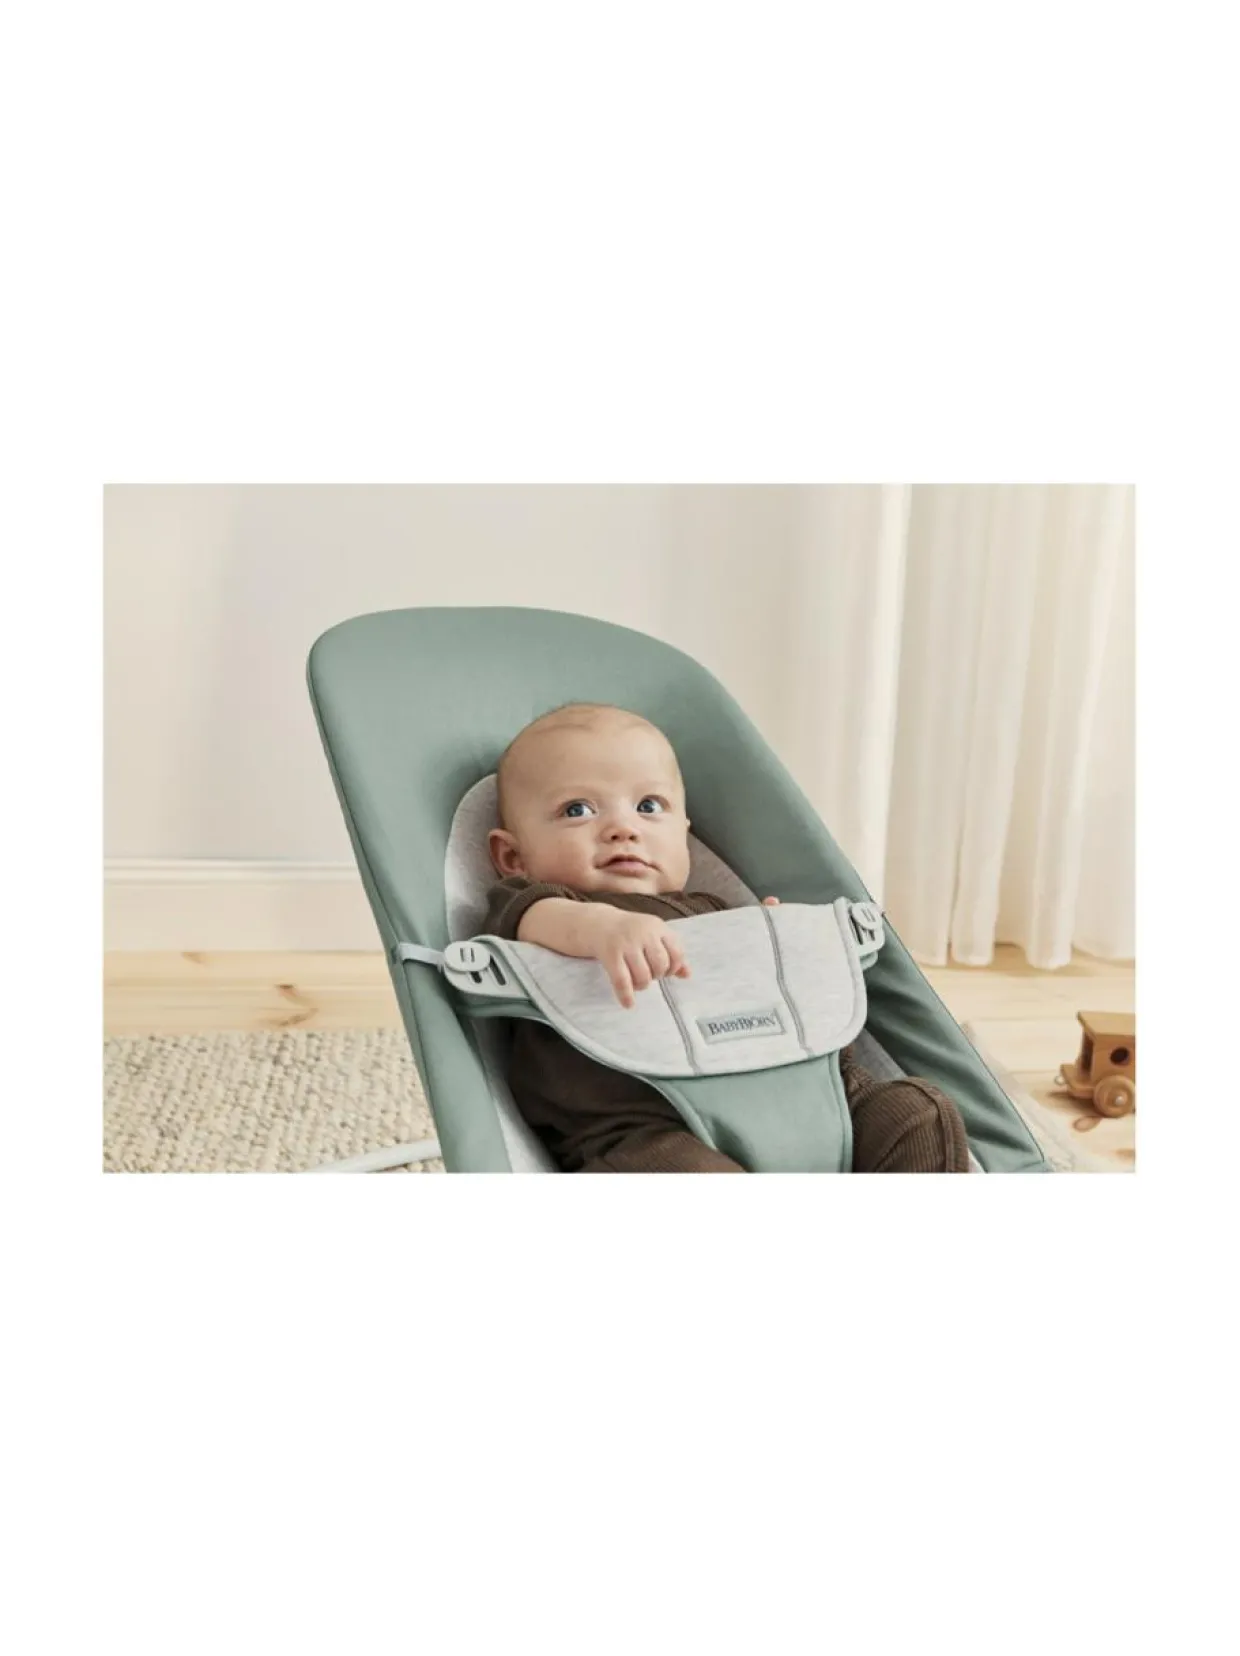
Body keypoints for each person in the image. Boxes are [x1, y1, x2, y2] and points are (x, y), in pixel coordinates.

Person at [484, 702, 971, 1174]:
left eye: (648, 806)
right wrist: (604, 928)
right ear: (513, 858)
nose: (622, 828)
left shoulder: (714, 911)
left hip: (806, 1097)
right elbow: (542, 919)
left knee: (919, 1111)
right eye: (578, 809)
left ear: (683, 833)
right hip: (645, 1129)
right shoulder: (539, 905)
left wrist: (776, 941)